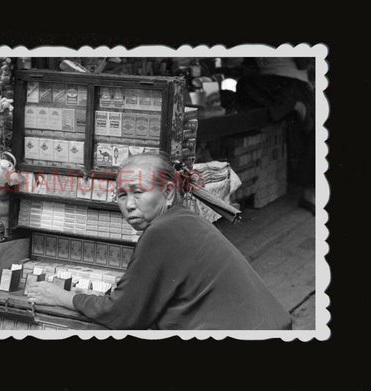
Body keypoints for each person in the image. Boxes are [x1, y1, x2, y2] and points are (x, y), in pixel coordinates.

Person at [27, 152, 292, 330]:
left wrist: (61, 296)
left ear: (167, 192)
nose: (129, 205)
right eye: (121, 196)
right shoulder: (180, 220)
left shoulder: (163, 231)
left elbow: (121, 314)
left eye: (138, 193)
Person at [236, 57, 315, 213]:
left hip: (270, 87)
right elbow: (303, 62)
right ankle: (292, 105)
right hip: (287, 86)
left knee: (243, 84)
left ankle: (290, 106)